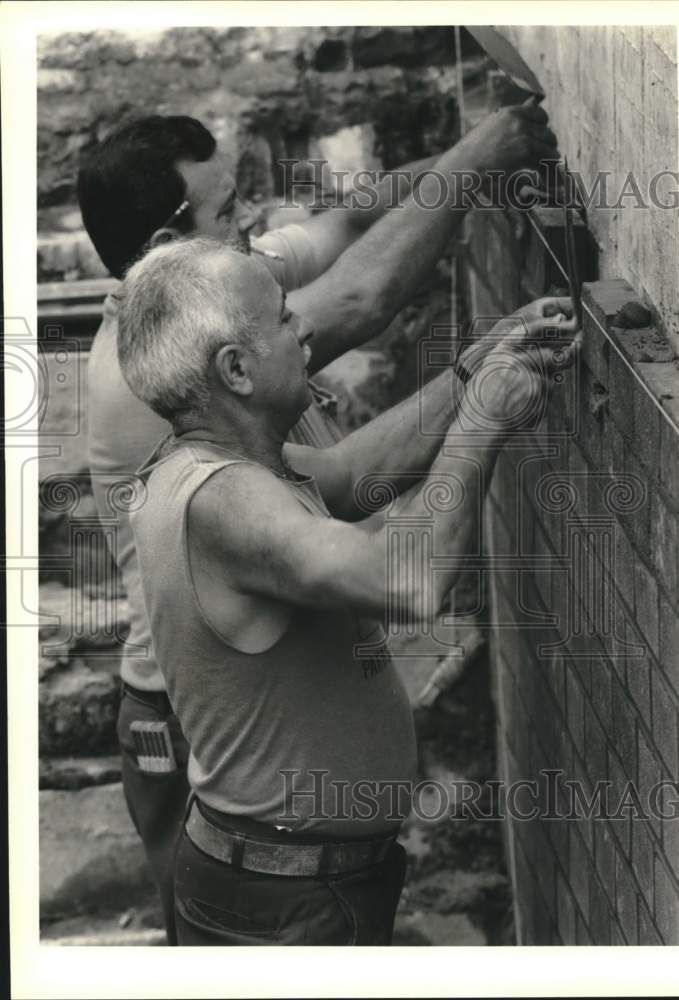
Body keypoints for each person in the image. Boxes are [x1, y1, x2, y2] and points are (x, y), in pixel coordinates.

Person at [79, 105, 559, 941]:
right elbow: (410, 581)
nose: (305, 323)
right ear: (234, 369)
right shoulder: (224, 500)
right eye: (283, 320)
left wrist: (473, 365)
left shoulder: (223, 454)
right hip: (282, 910)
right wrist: (481, 422)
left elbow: (352, 472)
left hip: (301, 888)